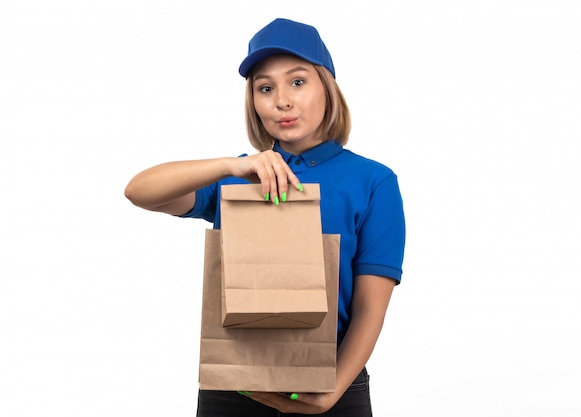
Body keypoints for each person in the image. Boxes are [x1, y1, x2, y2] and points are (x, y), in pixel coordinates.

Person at [125, 17, 405, 416]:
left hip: (332, 382)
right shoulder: (237, 177)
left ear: (326, 86)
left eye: (297, 81)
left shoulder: (373, 181)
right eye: (265, 88)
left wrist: (331, 393)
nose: (282, 101)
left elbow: (369, 309)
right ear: (253, 101)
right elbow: (139, 191)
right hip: (236, 384)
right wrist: (230, 165)